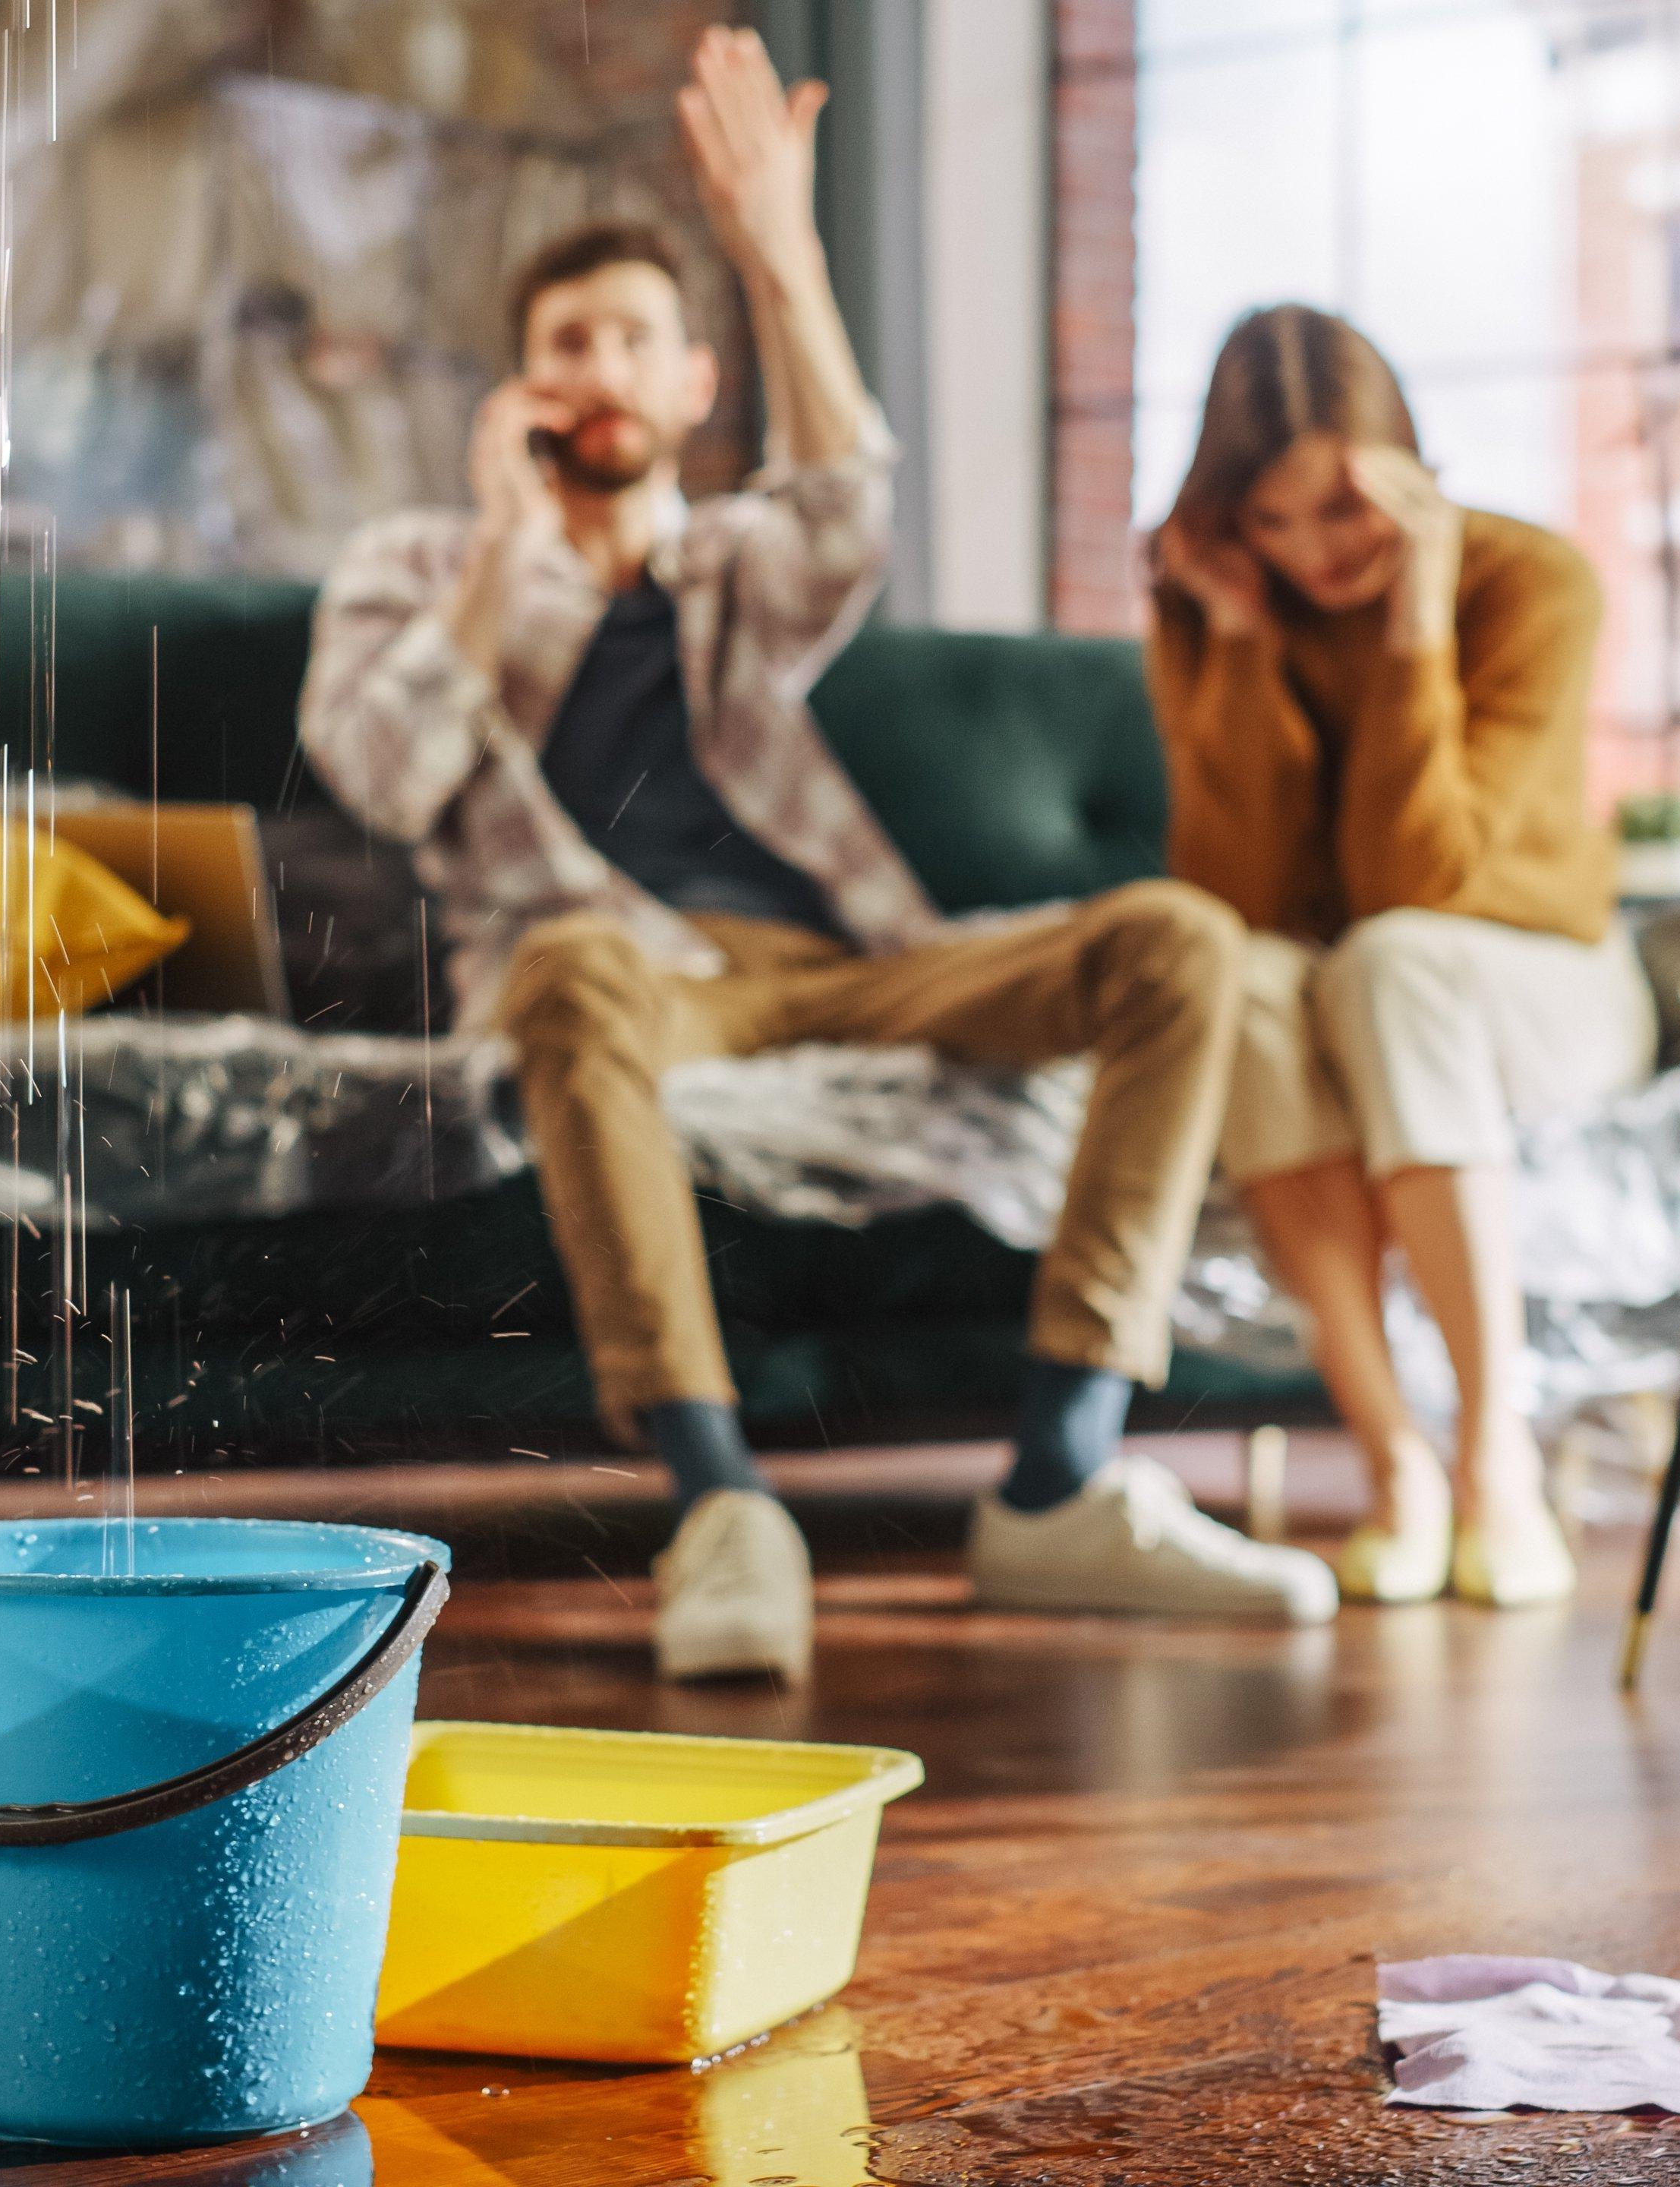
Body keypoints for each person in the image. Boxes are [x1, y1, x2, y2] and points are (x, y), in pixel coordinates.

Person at [301, 30, 1332, 1682]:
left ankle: (1063, 1474)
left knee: (1179, 942)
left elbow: (845, 506)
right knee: (566, 963)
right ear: (520, 387)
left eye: (640, 338)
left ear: (692, 385)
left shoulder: (729, 568)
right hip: (626, 982)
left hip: (848, 963)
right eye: (571, 342)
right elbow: (384, 775)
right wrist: (503, 549)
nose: (605, 368)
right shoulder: (415, 565)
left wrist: (778, 251)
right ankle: (721, 1506)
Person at [1145, 305, 1655, 1608]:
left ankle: (1497, 1464)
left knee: (1394, 959)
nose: (1317, 552)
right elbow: (1237, 892)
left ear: (1414, 476)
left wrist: (1418, 624)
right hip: (1341, 990)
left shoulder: (1535, 582)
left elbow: (1417, 881)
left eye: (1345, 510)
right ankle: (1396, 1464)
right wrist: (1243, 643)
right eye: (1275, 520)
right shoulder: (1220, 601)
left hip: (1537, 988)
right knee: (1242, 980)